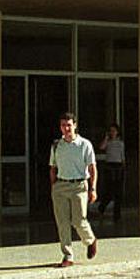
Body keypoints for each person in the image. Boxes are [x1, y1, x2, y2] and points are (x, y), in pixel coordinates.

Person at [49, 112, 99, 267]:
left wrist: (93, 188)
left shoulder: (85, 144)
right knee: (62, 222)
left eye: (69, 125)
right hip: (61, 186)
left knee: (78, 220)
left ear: (75, 125)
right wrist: (54, 186)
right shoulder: (57, 145)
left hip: (79, 186)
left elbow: (92, 168)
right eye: (63, 125)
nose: (66, 128)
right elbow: (52, 167)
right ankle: (67, 256)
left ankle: (90, 240)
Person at [97, 123, 125, 221]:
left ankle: (117, 215)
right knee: (109, 191)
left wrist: (123, 167)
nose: (113, 133)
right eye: (111, 131)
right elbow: (101, 147)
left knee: (118, 192)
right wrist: (106, 138)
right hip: (109, 166)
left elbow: (122, 156)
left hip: (118, 167)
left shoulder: (120, 143)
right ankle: (102, 207)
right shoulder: (108, 142)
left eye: (114, 131)